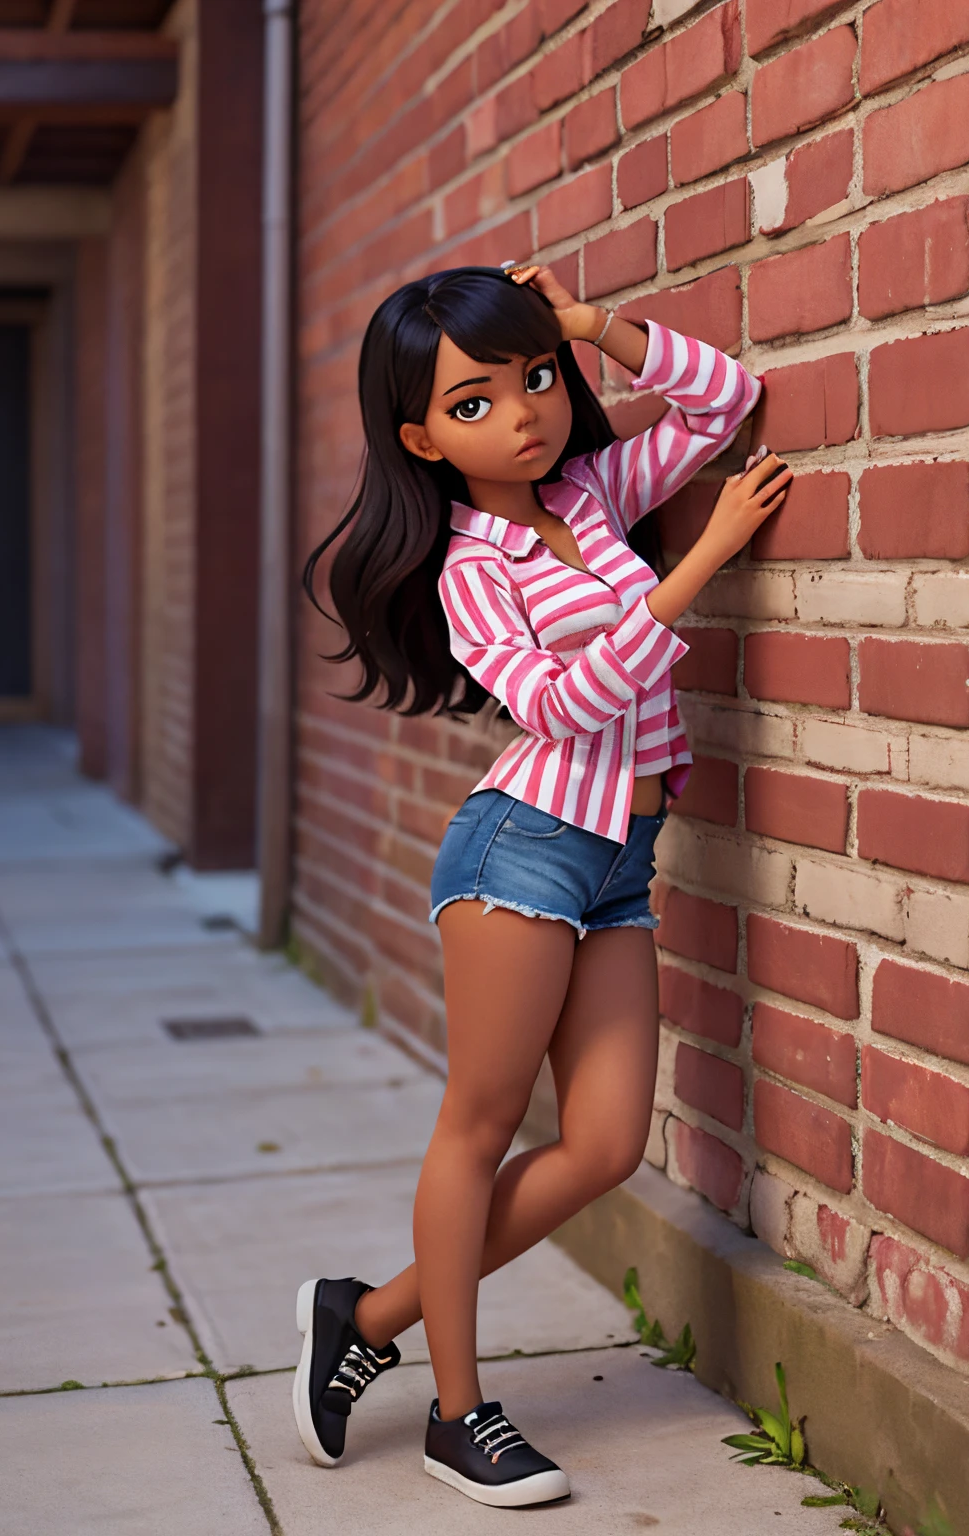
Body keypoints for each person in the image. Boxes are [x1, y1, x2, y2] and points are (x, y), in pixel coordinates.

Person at [293, 260, 790, 1507]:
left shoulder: (590, 487)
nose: (523, 413)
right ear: (421, 438)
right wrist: (701, 563)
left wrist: (580, 325)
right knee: (481, 1122)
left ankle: (366, 1317)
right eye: (475, 403)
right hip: (523, 848)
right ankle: (460, 1414)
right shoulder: (472, 568)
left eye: (529, 382)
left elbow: (726, 404)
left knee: (608, 1144)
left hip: (620, 859)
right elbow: (563, 706)